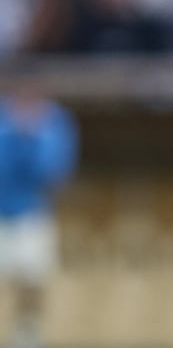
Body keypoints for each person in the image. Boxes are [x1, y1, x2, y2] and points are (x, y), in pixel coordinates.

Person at [0, 78, 80, 348]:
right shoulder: (3, 120)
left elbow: (54, 172)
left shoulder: (54, 122)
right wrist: (14, 135)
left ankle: (27, 334)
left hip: (31, 211)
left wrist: (29, 139)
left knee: (32, 277)